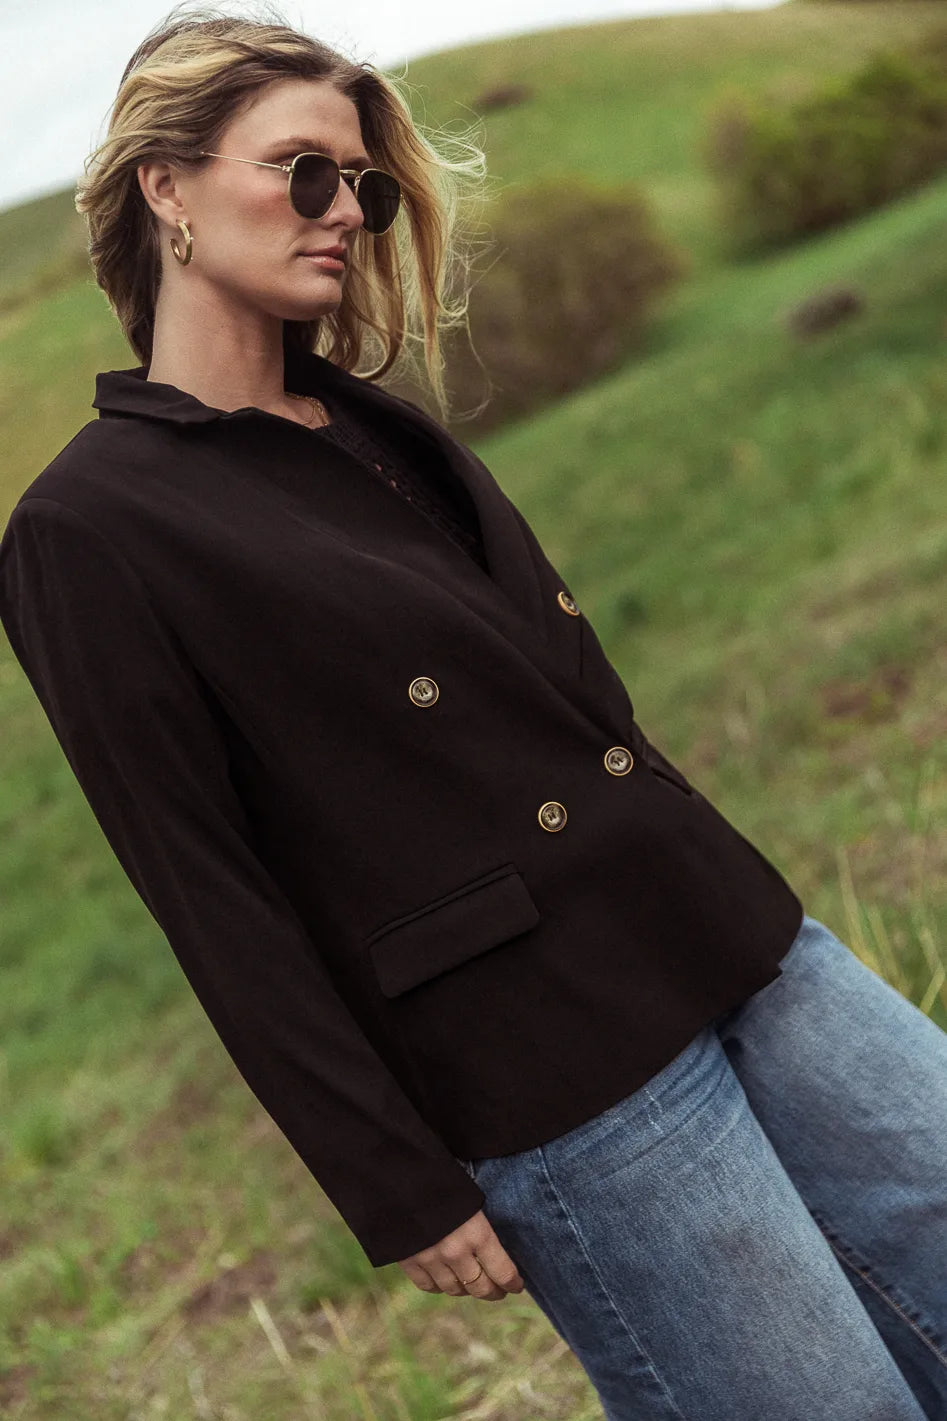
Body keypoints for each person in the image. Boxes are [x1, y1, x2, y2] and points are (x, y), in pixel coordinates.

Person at [1, 9, 944, 1418]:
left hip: (727, 933)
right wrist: (393, 1180)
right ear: (167, 186)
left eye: (362, 185)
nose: (344, 210)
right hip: (546, 1056)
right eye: (303, 171)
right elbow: (209, 893)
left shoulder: (375, 427)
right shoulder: (88, 527)